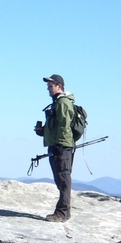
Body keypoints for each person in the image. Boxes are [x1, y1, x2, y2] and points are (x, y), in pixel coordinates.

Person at [34, 74, 76, 222]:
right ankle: (65, 211)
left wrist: (58, 144)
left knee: (63, 179)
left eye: (50, 85)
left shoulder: (63, 103)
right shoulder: (57, 102)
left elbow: (64, 126)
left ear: (59, 86)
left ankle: (62, 213)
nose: (48, 88)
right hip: (57, 145)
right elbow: (56, 125)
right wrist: (43, 131)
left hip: (62, 146)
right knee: (60, 179)